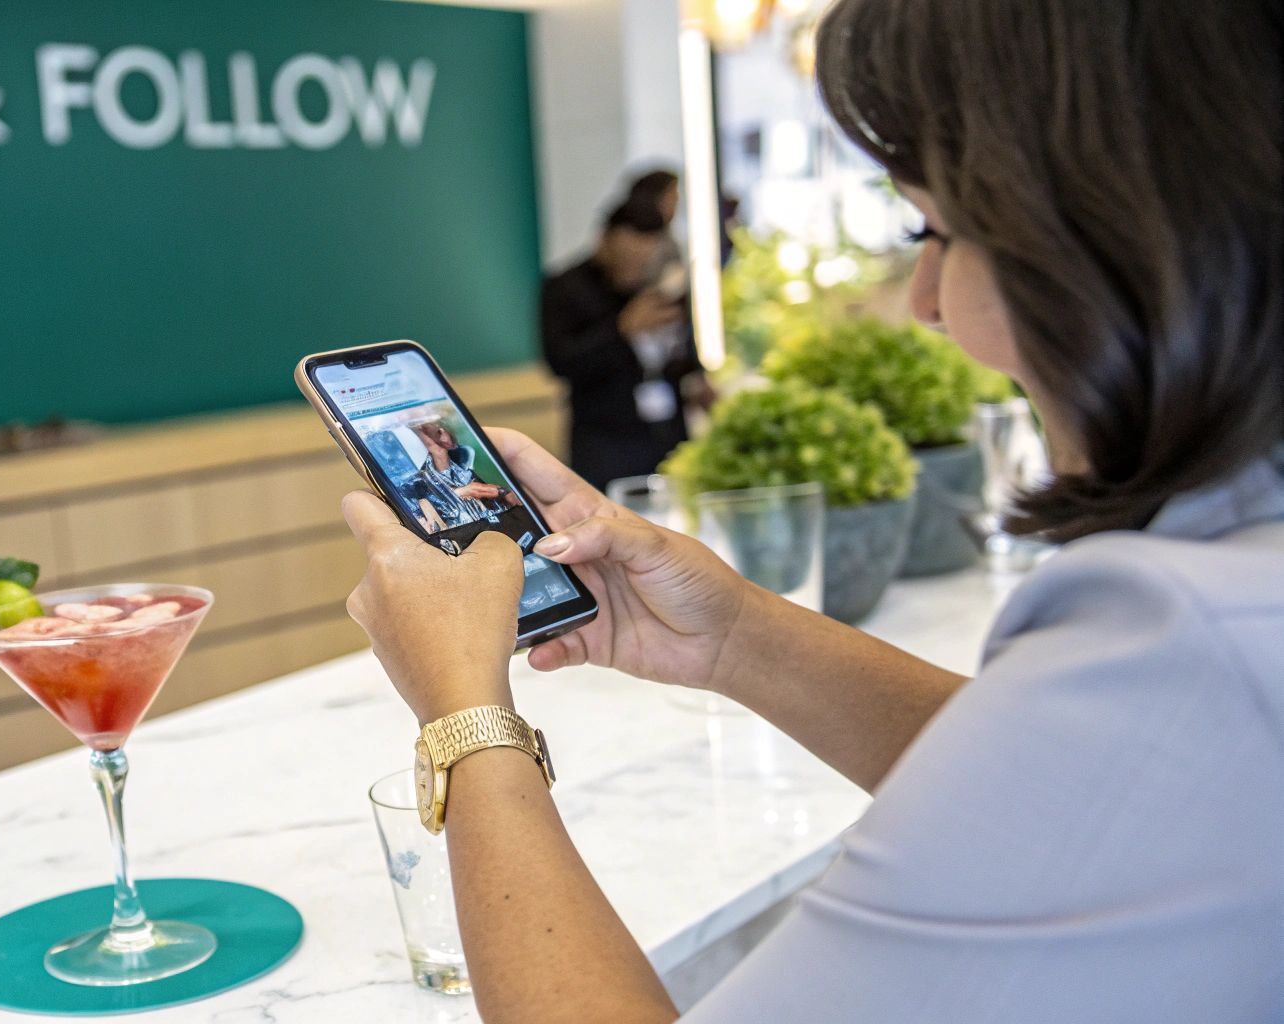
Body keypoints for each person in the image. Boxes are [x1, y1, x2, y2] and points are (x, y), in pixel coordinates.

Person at [339, 0, 1284, 1020]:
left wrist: (465, 719)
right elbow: (1062, 787)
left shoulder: (1192, 635)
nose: (925, 300)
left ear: (1108, 233)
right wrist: (732, 636)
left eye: (938, 231)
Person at [540, 197, 704, 488]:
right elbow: (561, 362)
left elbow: (677, 348)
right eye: (628, 261)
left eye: (644, 263)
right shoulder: (564, 289)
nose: (635, 272)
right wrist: (621, 330)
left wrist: (696, 378)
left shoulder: (658, 285)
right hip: (605, 442)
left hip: (667, 434)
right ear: (605, 241)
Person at [404, 418, 521, 531]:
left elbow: (491, 491)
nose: (443, 437)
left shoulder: (466, 458)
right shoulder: (417, 483)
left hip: (490, 521)